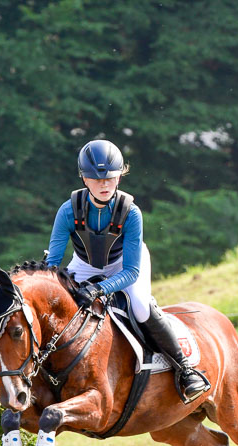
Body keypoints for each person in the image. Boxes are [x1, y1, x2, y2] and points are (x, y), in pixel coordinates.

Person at [45, 138, 209, 402]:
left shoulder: (131, 212)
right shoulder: (67, 211)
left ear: (119, 178)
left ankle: (185, 369)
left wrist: (98, 289)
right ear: (84, 179)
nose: (104, 184)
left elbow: (131, 272)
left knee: (141, 307)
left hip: (126, 264)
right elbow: (52, 264)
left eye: (110, 178)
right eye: (97, 179)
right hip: (84, 265)